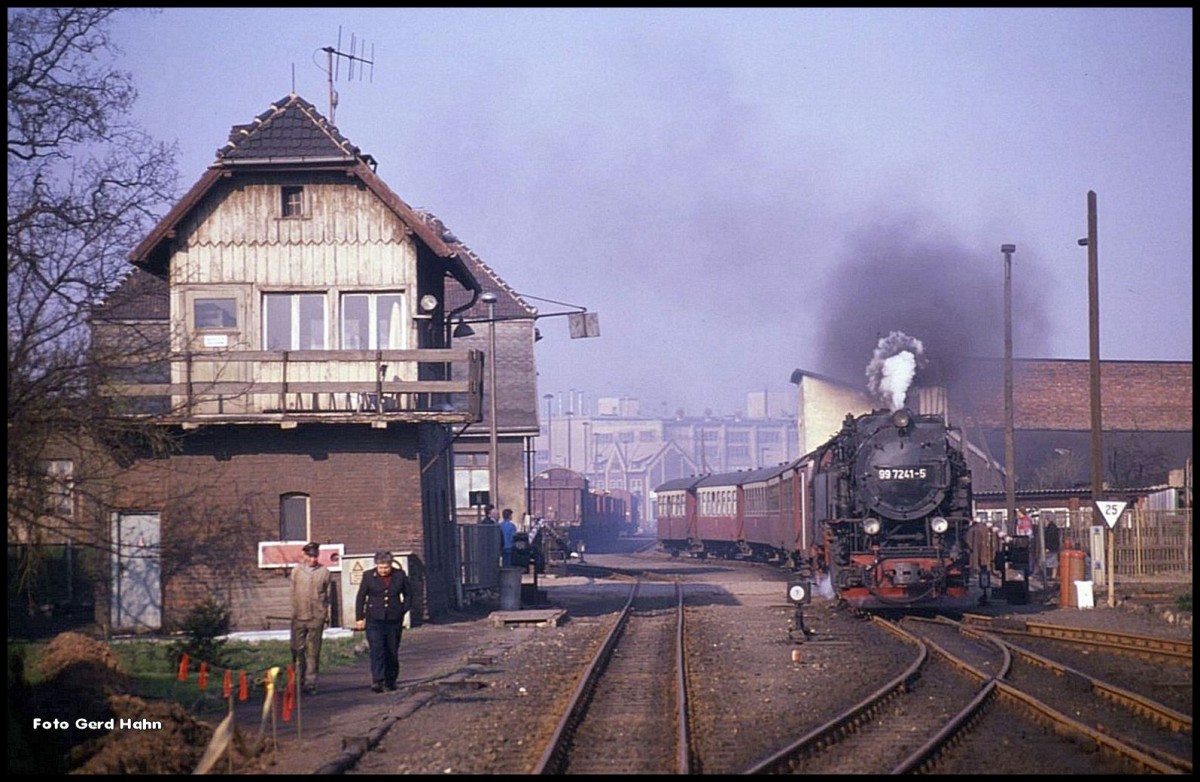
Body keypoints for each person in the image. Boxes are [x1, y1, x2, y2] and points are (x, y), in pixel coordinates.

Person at [355, 551, 411, 693]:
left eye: (386, 567)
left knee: (391, 650)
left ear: (391, 565)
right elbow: (361, 597)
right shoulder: (368, 576)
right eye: (380, 567)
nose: (383, 571)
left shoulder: (400, 575)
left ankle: (390, 680)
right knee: (377, 649)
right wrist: (359, 618)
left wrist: (401, 611)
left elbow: (409, 595)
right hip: (374, 619)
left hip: (393, 620)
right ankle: (378, 680)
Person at [290, 542, 331, 695]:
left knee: (313, 652)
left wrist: (324, 614)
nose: (313, 559)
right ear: (305, 555)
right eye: (310, 556)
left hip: (316, 617)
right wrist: (294, 611)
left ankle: (310, 683)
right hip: (299, 616)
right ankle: (296, 680)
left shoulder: (324, 572)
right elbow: (292, 592)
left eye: (316, 556)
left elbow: (326, 595)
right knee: (296, 649)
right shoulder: (296, 571)